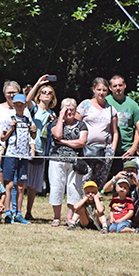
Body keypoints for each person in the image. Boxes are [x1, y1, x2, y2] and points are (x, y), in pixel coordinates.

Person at [48, 98, 88, 227]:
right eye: (66, 109)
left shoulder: (82, 124)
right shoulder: (55, 122)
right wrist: (60, 117)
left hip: (75, 161)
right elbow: (58, 135)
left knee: (73, 188)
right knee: (56, 187)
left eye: (72, 109)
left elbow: (82, 142)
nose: (69, 112)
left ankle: (69, 218)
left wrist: (65, 142)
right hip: (56, 160)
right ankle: (57, 217)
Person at [24, 75, 57, 220]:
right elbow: (26, 101)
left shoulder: (52, 115)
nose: (47, 94)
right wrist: (38, 83)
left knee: (33, 185)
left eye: (50, 93)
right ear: (39, 95)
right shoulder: (34, 109)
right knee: (21, 182)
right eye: (44, 92)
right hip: (26, 148)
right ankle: (16, 211)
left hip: (41, 151)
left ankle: (29, 211)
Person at [0, 93, 36, 224]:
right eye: (17, 105)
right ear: (13, 105)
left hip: (24, 156)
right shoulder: (9, 119)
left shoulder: (28, 120)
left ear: (25, 105)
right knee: (9, 184)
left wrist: (34, 131)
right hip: (11, 155)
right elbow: (2, 138)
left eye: (22, 105)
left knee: (21, 186)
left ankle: (19, 213)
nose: (19, 107)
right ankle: (8, 213)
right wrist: (11, 128)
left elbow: (33, 136)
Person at [76, 77, 118, 187]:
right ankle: (84, 202)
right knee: (86, 177)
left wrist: (112, 150)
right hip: (86, 148)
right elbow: (76, 125)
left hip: (104, 150)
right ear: (94, 89)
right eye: (99, 90)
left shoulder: (111, 109)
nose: (101, 93)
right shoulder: (85, 105)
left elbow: (115, 132)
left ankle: (98, 201)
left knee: (100, 180)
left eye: (104, 90)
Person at [0, 80, 32, 169]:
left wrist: (31, 147)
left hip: (18, 151)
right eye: (9, 93)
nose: (11, 95)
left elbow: (30, 127)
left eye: (14, 92)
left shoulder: (24, 110)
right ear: (4, 94)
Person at [106, 74, 139, 175]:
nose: (118, 88)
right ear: (110, 88)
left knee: (126, 182)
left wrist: (133, 148)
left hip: (126, 151)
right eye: (115, 86)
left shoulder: (132, 105)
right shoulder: (105, 102)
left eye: (120, 85)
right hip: (108, 149)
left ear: (125, 86)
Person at [103, 159, 139, 230]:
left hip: (133, 214)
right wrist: (115, 178)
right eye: (127, 171)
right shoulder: (120, 183)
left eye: (132, 171)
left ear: (136, 172)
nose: (130, 173)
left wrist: (138, 185)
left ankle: (134, 224)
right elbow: (105, 189)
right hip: (118, 212)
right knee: (109, 225)